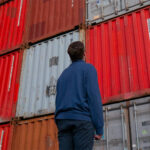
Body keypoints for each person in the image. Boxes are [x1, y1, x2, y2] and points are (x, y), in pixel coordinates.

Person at [55, 41, 104, 150]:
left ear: (70, 56)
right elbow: (94, 99)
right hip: (82, 122)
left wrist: (59, 122)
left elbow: (58, 102)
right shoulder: (88, 69)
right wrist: (99, 128)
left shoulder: (62, 76)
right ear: (84, 54)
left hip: (63, 123)